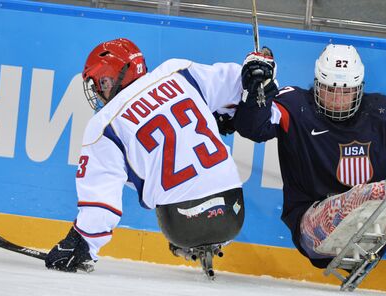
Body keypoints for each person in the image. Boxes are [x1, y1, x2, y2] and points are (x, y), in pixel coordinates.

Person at [234, 44, 386, 269]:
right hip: (311, 226)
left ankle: (360, 226)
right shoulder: (294, 106)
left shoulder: (380, 114)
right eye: (329, 90)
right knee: (374, 194)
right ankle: (352, 218)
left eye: (347, 92)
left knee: (385, 191)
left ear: (360, 88)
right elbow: (252, 127)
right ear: (317, 84)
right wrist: (257, 89)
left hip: (372, 231)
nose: (337, 100)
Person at [44, 38, 249, 273]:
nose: (99, 93)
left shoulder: (104, 125)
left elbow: (101, 205)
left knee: (140, 167)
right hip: (233, 211)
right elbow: (243, 81)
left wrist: (81, 244)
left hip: (183, 224)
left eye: (101, 83)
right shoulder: (179, 72)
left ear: (115, 76)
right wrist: (257, 70)